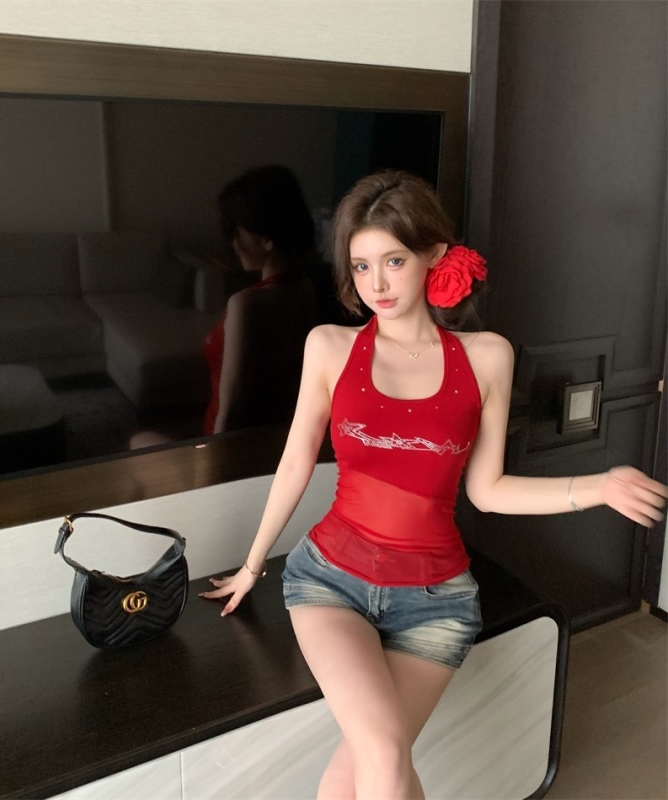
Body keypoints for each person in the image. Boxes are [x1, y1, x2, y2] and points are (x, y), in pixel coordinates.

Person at [200, 170, 667, 799]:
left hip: (435, 601)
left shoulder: (487, 356)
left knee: (352, 777)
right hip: (331, 580)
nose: (377, 284)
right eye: (361, 266)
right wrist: (253, 564)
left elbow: (488, 490)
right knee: (385, 754)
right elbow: (296, 461)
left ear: (434, 255)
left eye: (393, 261)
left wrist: (599, 486)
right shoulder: (330, 346)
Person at [203, 164, 334, 434]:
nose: (234, 244)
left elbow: (230, 410)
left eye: (238, 232)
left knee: (140, 441)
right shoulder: (305, 288)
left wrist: (212, 459)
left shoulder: (245, 304)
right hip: (276, 436)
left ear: (266, 240)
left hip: (232, 444)